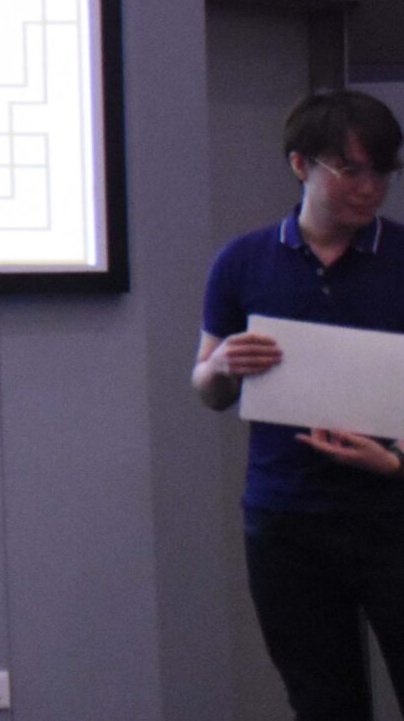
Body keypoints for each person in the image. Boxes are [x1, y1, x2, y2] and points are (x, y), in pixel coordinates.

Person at [194, 87, 404, 721]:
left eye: (383, 171)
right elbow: (206, 386)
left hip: (393, 512)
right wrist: (222, 366)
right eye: (350, 169)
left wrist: (396, 463)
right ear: (299, 164)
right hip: (287, 520)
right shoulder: (243, 260)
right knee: (322, 702)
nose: (369, 187)